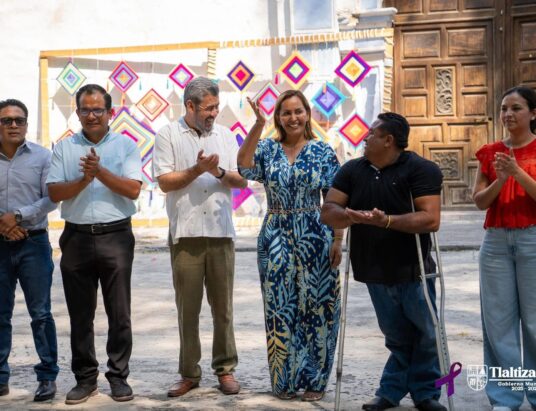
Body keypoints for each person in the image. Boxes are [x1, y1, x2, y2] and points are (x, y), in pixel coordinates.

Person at [321, 112, 446, 411]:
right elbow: (328, 211)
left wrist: (386, 221)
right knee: (396, 336)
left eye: (372, 134)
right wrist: (350, 215)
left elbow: (431, 219)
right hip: (372, 267)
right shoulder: (353, 170)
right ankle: (392, 392)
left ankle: (425, 393)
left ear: (388, 140)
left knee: (426, 333)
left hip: (412, 268)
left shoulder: (421, 169)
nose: (365, 138)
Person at [237, 90, 343, 402]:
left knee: (318, 307)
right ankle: (284, 379)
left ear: (307, 114)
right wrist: (258, 124)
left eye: (298, 111)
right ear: (278, 117)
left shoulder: (322, 151)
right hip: (275, 235)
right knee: (279, 308)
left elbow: (335, 199)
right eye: (286, 113)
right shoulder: (267, 149)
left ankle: (315, 380)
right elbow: (243, 166)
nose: (293, 118)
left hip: (315, 233)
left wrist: (338, 239)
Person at [46, 84, 142, 405]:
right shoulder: (64, 148)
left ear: (110, 112)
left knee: (119, 312)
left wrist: (99, 172)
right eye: (85, 110)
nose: (91, 115)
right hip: (76, 238)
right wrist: (84, 180)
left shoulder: (126, 146)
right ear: (77, 113)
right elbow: (55, 193)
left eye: (97, 109)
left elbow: (133, 190)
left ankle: (118, 377)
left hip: (116, 236)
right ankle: (85, 379)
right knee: (80, 314)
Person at [152, 77, 246, 397]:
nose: (214, 113)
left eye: (216, 107)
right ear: (190, 106)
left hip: (221, 233)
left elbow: (240, 181)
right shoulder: (167, 134)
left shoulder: (226, 135)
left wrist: (217, 171)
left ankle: (226, 369)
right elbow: (165, 181)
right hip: (186, 234)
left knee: (223, 309)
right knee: (187, 311)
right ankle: (189, 373)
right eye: (208, 108)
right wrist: (197, 169)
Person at [473, 85, 536, 411]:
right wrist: (500, 179)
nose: (508, 114)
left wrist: (517, 172)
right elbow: (480, 201)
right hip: (495, 243)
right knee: (498, 324)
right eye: (504, 108)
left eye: (516, 108)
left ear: (533, 113)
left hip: (533, 239)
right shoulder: (490, 152)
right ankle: (506, 398)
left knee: (535, 322)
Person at [0, 99, 59, 401]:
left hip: (33, 243)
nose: (13, 125)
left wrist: (18, 217)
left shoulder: (43, 156)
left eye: (19, 120)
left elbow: (51, 198)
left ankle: (47, 377)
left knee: (41, 314)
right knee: (0, 313)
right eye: (6, 120)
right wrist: (3, 223)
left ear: (26, 124)